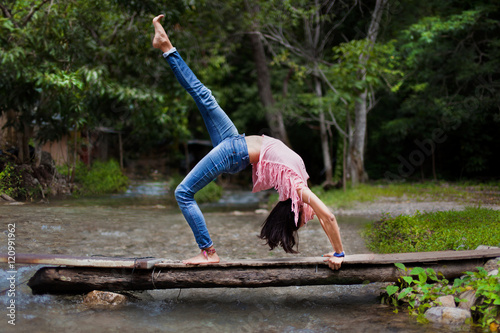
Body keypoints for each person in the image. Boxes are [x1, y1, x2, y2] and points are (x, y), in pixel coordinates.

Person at [152, 14, 344, 270]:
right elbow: (323, 217)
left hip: (235, 153)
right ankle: (166, 46)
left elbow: (328, 216)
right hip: (235, 141)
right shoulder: (299, 185)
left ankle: (208, 251)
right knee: (203, 95)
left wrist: (340, 254)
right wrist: (336, 250)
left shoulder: (297, 189)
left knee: (183, 193)